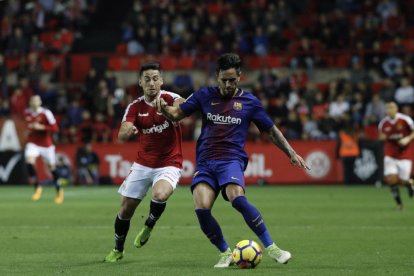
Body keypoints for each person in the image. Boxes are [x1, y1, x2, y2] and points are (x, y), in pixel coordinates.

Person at [155, 53, 309, 268]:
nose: (228, 85)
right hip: (206, 162)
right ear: (216, 76)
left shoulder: (250, 102)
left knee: (236, 197)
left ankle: (273, 248)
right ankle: (225, 253)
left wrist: (291, 153)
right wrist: (163, 108)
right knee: (201, 206)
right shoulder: (204, 95)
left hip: (231, 160)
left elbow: (271, 131)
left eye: (232, 80)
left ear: (240, 77)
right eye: (224, 80)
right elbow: (177, 114)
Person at [104, 63, 184, 262]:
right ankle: (118, 249)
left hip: (169, 162)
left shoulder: (169, 98)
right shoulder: (135, 106)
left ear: (162, 81)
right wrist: (128, 131)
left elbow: (184, 106)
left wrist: (168, 109)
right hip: (143, 164)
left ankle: (149, 224)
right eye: (147, 79)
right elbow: (121, 135)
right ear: (140, 82)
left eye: (155, 78)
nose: (152, 83)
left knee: (160, 193)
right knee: (125, 211)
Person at [24, 95, 63, 204]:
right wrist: (29, 130)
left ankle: (59, 190)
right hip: (33, 143)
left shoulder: (46, 113)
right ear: (30, 102)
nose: (34, 102)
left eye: (36, 100)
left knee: (52, 168)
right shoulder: (27, 113)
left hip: (46, 145)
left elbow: (55, 128)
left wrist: (42, 127)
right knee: (29, 161)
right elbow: (28, 126)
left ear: (40, 102)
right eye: (32, 100)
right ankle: (37, 187)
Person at [378, 101, 414, 210]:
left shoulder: (405, 120)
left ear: (396, 109)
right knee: (391, 179)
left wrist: (407, 138)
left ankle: (410, 183)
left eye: (391, 107)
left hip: (405, 154)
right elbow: (382, 137)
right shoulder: (383, 123)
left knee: (403, 180)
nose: (389, 110)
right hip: (390, 153)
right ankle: (399, 204)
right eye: (387, 108)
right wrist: (383, 138)